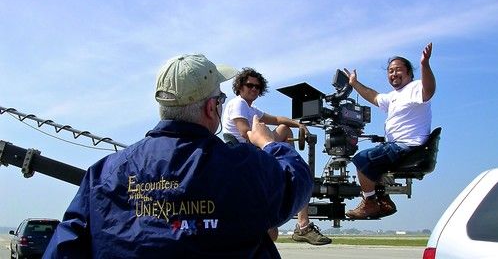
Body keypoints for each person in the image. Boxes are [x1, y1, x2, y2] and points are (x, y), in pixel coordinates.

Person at [43, 54, 313, 258]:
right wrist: (269, 144)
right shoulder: (243, 166)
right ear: (211, 108)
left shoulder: (104, 173)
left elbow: (64, 246)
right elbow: (297, 181)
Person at [222, 68, 332, 246]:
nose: (254, 89)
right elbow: (245, 133)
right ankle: (301, 222)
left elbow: (278, 119)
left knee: (284, 129)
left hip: (255, 150)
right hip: (242, 154)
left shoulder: (252, 109)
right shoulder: (238, 103)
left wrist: (299, 124)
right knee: (294, 175)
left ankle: (288, 169)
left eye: (257, 87)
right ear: (240, 87)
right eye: (249, 85)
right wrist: (268, 145)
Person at [344, 43, 436, 219]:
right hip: (397, 146)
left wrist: (425, 64)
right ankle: (383, 200)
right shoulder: (394, 96)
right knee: (373, 161)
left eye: (398, 70)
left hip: (408, 146)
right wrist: (354, 83)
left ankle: (370, 203)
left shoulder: (416, 87)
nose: (393, 74)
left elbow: (429, 90)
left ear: (409, 73)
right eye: (390, 71)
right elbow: (373, 96)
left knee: (360, 159)